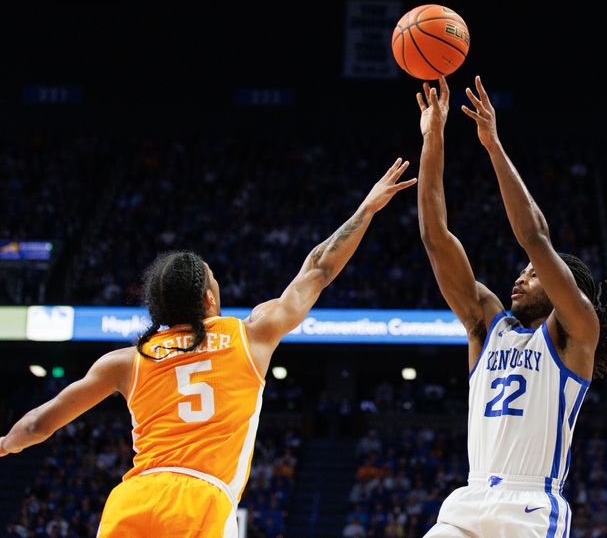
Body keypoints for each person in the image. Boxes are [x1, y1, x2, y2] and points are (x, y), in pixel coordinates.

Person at [0, 158, 416, 537]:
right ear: (209, 301)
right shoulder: (251, 334)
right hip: (202, 503)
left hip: (133, 500)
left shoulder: (125, 362)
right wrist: (366, 210)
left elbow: (38, 426)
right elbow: (318, 269)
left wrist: (4, 444)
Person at [415, 75, 607, 537]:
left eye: (532, 273)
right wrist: (434, 137)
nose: (520, 276)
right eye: (522, 271)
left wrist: (492, 145)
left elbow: (534, 237)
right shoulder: (487, 323)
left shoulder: (574, 334)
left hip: (528, 507)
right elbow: (436, 236)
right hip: (469, 500)